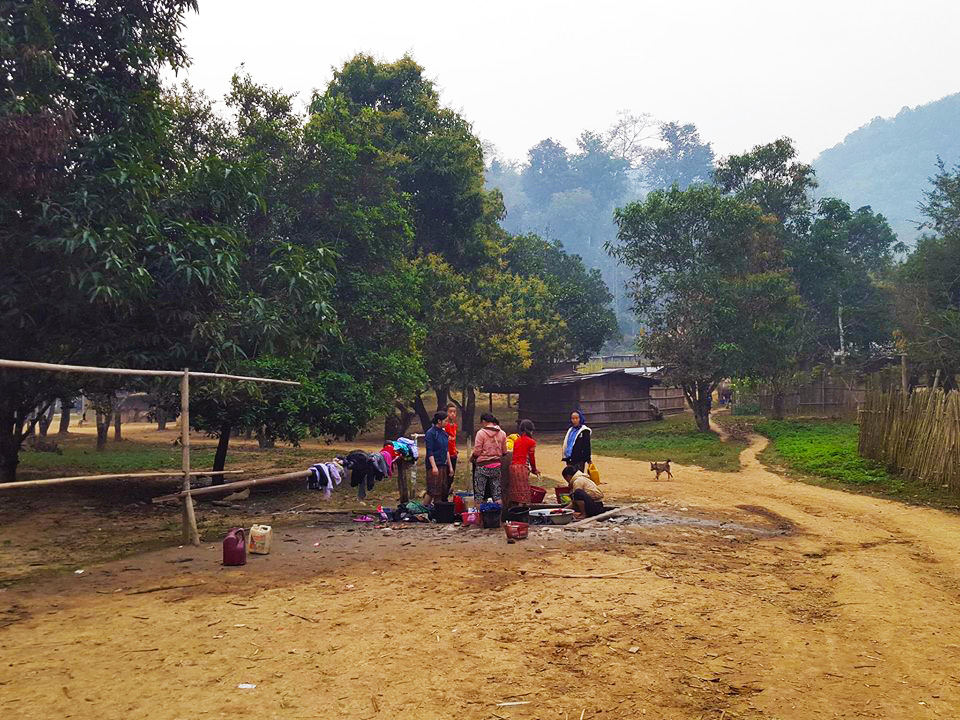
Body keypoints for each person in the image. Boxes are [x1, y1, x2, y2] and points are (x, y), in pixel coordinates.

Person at [471, 412, 507, 503]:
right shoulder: (502, 433)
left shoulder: (481, 433)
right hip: (496, 466)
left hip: (482, 466)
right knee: (497, 495)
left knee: (479, 495)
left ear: (483, 421)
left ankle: (480, 516)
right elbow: (504, 452)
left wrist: (472, 458)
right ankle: (498, 516)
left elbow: (477, 451)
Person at [507, 419, 540, 507]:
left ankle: (513, 512)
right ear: (531, 430)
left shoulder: (517, 441)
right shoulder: (531, 442)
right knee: (523, 494)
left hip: (513, 467)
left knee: (515, 493)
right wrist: (534, 469)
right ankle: (522, 513)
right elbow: (532, 458)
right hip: (521, 468)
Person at [424, 412, 453, 504]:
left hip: (443, 464)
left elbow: (446, 450)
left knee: (440, 491)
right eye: (445, 421)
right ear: (439, 421)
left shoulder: (444, 434)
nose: (447, 423)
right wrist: (434, 466)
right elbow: (430, 451)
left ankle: (437, 512)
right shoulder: (431, 433)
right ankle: (423, 510)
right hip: (434, 464)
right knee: (432, 490)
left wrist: (450, 466)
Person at [442, 403, 459, 497]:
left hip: (453, 454)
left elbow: (453, 440)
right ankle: (443, 497)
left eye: (454, 412)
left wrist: (455, 449)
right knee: (445, 477)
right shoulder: (445, 426)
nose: (452, 414)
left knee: (451, 477)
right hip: (445, 455)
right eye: (450, 412)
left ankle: (446, 496)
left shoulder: (454, 425)